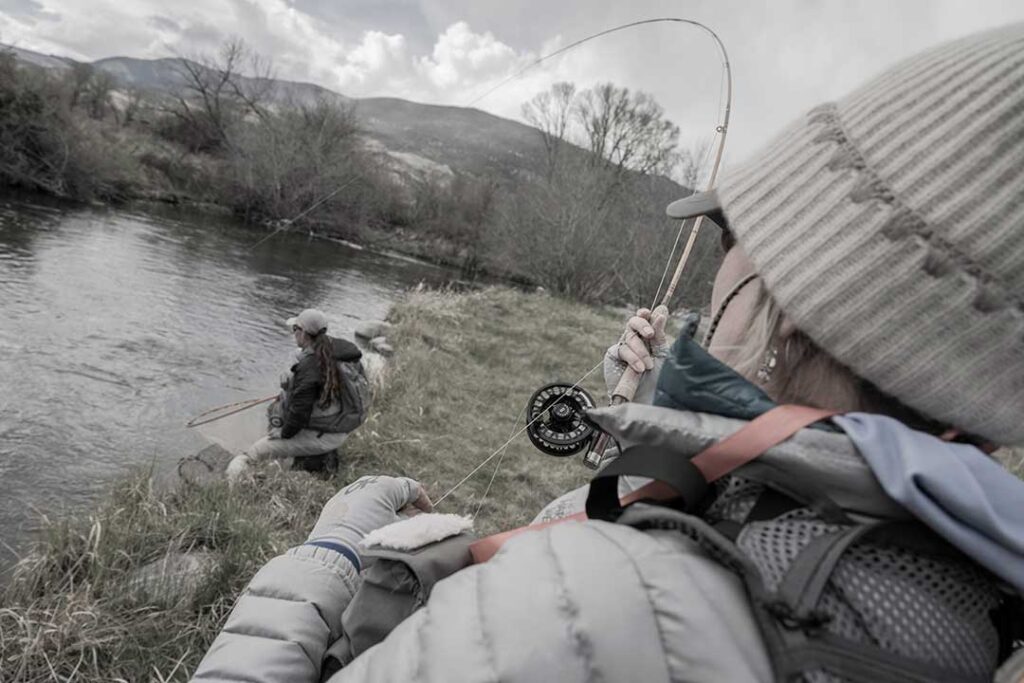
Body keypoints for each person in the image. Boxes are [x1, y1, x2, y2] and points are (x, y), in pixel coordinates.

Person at [194, 24, 1024, 682]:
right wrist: (654, 411)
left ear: (799, 304)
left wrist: (329, 554)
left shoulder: (597, 614)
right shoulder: (956, 588)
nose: (715, 266)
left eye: (734, 234)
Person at [226, 309, 368, 480]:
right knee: (277, 408)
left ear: (302, 333)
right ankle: (301, 458)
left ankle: (238, 484)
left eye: (294, 330)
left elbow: (299, 413)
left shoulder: (309, 368)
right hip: (340, 426)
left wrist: (283, 433)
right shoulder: (339, 350)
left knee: (254, 452)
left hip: (325, 436)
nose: (293, 334)